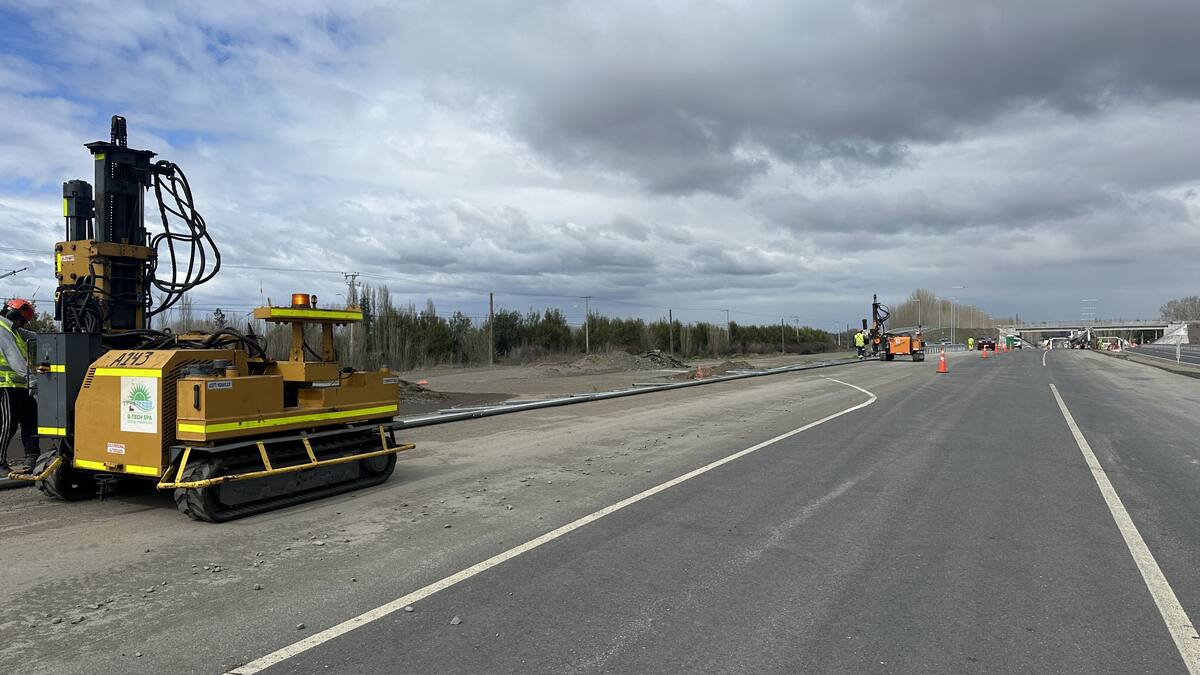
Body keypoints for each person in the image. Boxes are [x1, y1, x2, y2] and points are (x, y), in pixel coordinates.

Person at [0, 298, 38, 475]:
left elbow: (34, 337)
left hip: (20, 386)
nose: (22, 324)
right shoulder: (2, 329)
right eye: (22, 320)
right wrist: (32, 379)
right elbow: (13, 358)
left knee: (31, 420)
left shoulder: (13, 331)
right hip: (5, 386)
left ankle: (33, 457)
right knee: (7, 426)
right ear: (14, 314)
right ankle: (0, 464)